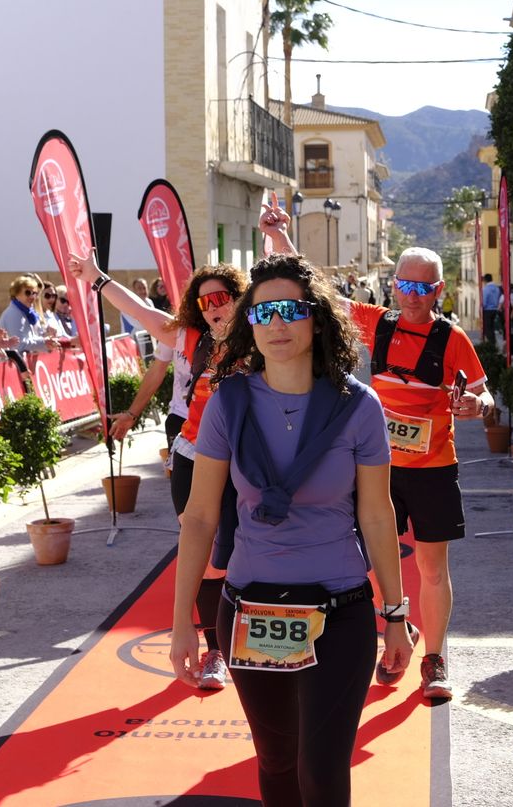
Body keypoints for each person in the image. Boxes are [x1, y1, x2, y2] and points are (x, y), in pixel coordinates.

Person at [169, 252, 412, 806]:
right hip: (251, 608)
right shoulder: (228, 401)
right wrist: (183, 619)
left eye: (290, 310)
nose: (276, 324)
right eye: (262, 312)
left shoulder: (359, 406)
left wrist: (395, 616)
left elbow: (377, 515)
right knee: (277, 763)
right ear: (248, 324)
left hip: (340, 608)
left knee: (322, 771)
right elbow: (201, 517)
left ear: (317, 318)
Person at [269, 223, 490, 701]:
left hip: (433, 467)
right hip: (379, 467)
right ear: (395, 286)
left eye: (424, 288)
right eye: (406, 286)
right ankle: (400, 626)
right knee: (370, 560)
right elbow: (319, 288)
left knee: (432, 567)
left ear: (439, 290)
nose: (413, 296)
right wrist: (283, 238)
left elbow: (481, 391)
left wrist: (479, 407)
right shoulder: (379, 322)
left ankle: (434, 659)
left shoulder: (451, 339)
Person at [70, 248, 248, 692]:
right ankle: (215, 651)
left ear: (240, 299)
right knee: (204, 552)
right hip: (193, 453)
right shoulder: (190, 338)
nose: (216, 307)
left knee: (244, 549)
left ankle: (255, 634)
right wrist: (96, 277)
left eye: (223, 297)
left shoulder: (263, 335)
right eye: (205, 302)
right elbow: (142, 312)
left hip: (247, 458)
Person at [0, 275, 57, 355]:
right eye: (28, 293)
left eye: (34, 293)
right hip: (15, 364)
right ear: (16, 293)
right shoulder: (13, 314)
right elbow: (19, 345)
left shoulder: (29, 313)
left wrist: (46, 335)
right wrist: (44, 342)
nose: (32, 296)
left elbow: (33, 337)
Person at [480, 273, 502, 347]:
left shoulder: (485, 289)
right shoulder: (497, 288)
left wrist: (482, 308)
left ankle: (491, 344)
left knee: (488, 328)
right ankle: (493, 342)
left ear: (485, 280)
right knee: (492, 327)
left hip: (487, 310)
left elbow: (484, 301)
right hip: (495, 309)